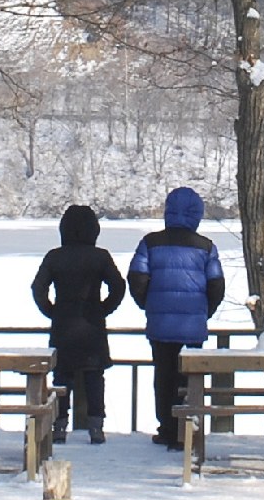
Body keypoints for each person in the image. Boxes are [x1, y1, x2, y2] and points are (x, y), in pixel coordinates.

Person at [129, 187, 226, 446]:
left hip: (160, 324)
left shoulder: (150, 243)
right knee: (189, 379)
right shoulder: (206, 247)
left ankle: (168, 429)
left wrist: (149, 305)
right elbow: (217, 286)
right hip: (192, 325)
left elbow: (137, 278)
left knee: (164, 376)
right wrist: (203, 312)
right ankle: (188, 430)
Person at [31, 204, 128, 445]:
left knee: (62, 376)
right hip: (92, 322)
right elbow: (118, 286)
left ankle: (60, 425)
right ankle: (96, 427)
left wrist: (52, 311)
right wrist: (103, 309)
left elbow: (38, 288)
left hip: (63, 322)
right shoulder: (100, 257)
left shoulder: (55, 256)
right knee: (94, 376)